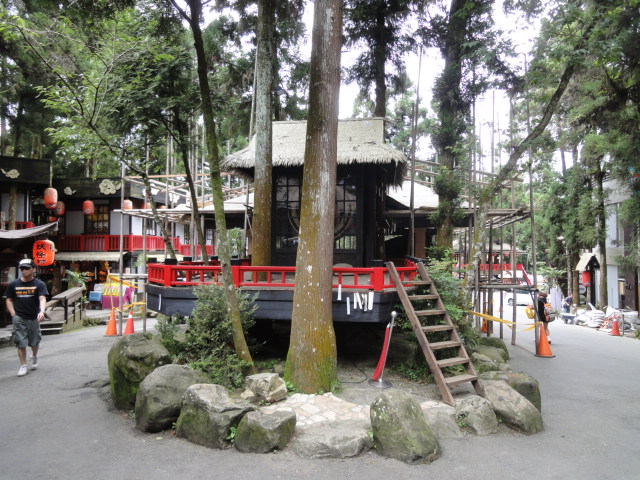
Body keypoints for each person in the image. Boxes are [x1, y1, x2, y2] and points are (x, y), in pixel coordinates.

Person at [5, 259, 48, 377]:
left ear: (33, 269)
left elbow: (42, 298)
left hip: (33, 316)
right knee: (20, 342)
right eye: (22, 268)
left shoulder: (39, 284)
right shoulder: (14, 284)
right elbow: (9, 299)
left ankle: (34, 356)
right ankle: (23, 365)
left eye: (26, 268)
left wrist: (42, 311)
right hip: (19, 316)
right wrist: (13, 314)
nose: (24, 271)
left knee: (34, 341)